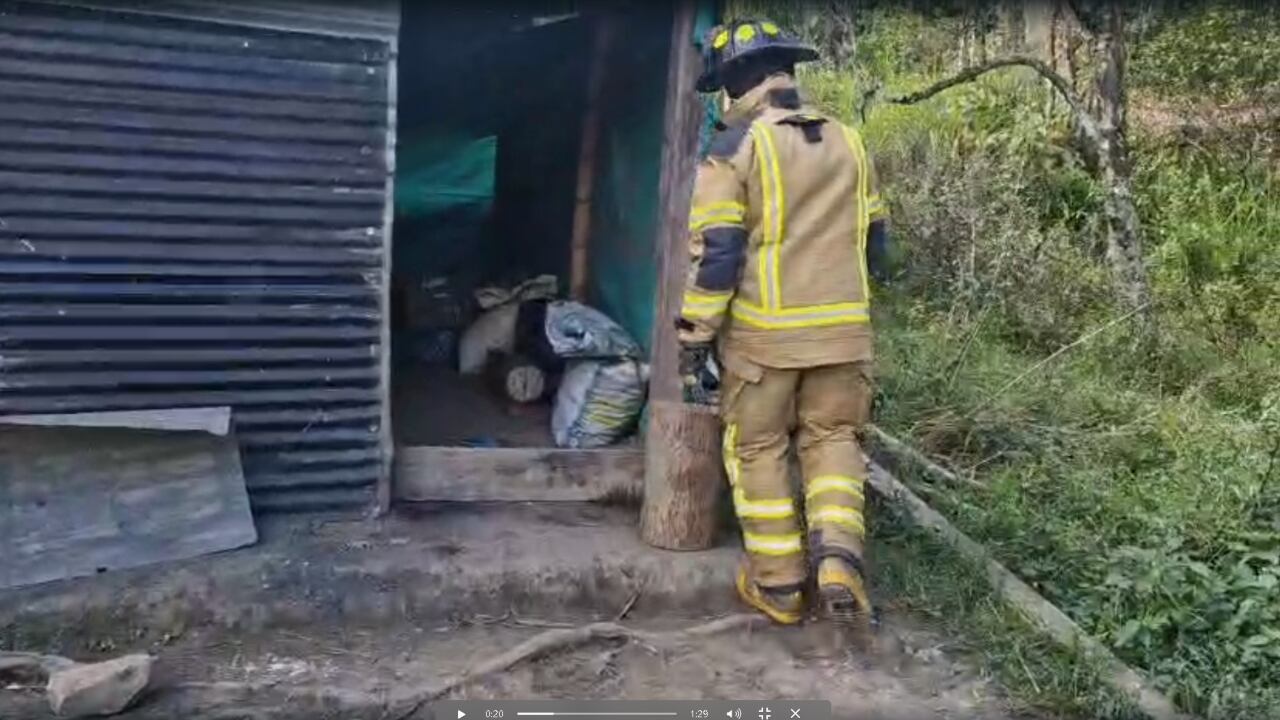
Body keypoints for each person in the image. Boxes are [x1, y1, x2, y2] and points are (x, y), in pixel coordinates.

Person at [676, 19, 890, 627]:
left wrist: (693, 333)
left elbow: (717, 255)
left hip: (765, 342)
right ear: (786, 75)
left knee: (758, 448)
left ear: (734, 86)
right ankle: (840, 560)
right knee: (833, 441)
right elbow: (880, 251)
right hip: (846, 336)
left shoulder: (734, 149)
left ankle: (779, 585)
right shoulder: (851, 142)